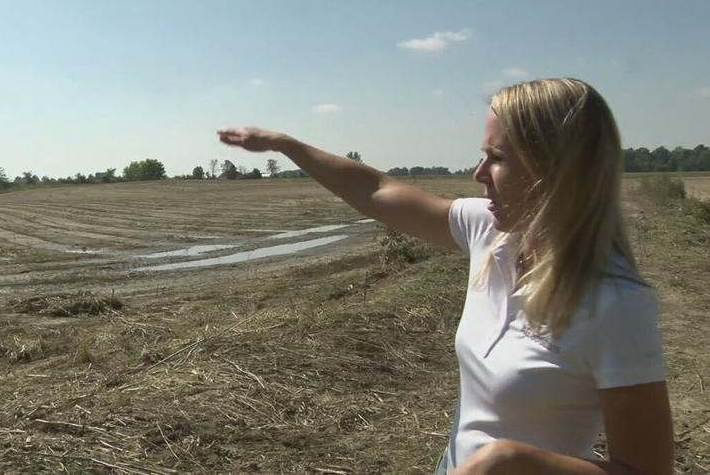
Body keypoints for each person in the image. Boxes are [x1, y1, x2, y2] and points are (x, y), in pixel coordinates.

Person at [217, 78, 674, 474]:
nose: (479, 174)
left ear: (556, 170)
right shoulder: (491, 233)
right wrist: (286, 144)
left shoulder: (614, 303)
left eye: (496, 158)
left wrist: (512, 462)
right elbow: (377, 190)